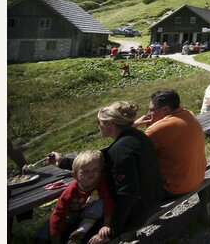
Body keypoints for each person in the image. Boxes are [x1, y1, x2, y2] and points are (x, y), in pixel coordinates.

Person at [49, 101, 163, 243]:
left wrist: (112, 229)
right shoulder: (135, 137)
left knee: (75, 232)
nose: (98, 126)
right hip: (151, 198)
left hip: (137, 212)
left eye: (100, 123)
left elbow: (127, 193)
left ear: (109, 124)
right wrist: (62, 161)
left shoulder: (121, 151)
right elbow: (103, 159)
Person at [134, 89, 206, 198]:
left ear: (165, 109)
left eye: (152, 110)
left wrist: (132, 126)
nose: (148, 114)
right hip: (198, 178)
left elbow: (129, 148)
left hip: (174, 188)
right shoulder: (188, 113)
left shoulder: (158, 129)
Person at [39, 150, 114, 244]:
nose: (91, 174)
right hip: (71, 214)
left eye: (95, 169)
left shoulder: (101, 182)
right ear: (75, 175)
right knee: (49, 226)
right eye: (86, 171)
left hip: (90, 213)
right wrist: (55, 238)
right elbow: (59, 212)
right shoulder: (71, 191)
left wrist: (106, 225)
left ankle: (78, 234)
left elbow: (108, 203)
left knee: (100, 203)